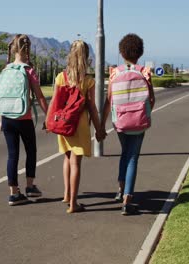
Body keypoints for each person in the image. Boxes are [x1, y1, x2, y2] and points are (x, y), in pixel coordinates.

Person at [47, 40, 106, 213]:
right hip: (79, 126)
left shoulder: (61, 77)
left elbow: (55, 102)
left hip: (63, 124)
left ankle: (66, 194)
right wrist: (99, 129)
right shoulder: (88, 81)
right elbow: (93, 108)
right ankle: (73, 204)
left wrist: (48, 121)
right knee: (76, 163)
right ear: (86, 57)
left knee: (67, 158)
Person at [101, 34, 155, 215]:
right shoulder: (144, 72)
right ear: (140, 52)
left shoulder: (115, 72)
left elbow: (109, 101)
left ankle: (120, 189)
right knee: (133, 157)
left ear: (121, 52)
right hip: (139, 121)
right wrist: (144, 113)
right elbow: (151, 98)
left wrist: (101, 125)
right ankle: (127, 199)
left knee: (125, 154)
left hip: (121, 121)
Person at [0, 34, 48, 206]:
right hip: (24, 118)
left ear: (13, 50)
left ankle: (13, 193)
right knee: (31, 151)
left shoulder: (6, 69)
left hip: (6, 117)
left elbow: (0, 96)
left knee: (12, 155)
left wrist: (0, 119)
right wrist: (48, 117)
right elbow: (40, 97)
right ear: (27, 50)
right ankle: (29, 186)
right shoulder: (28, 71)